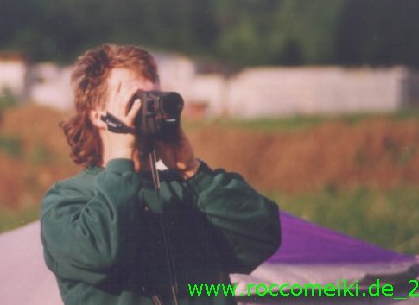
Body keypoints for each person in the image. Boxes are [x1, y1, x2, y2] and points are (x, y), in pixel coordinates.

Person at [40, 44, 281, 304]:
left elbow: (262, 239)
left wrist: (193, 171)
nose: (150, 109)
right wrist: (122, 160)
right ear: (98, 116)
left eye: (155, 98)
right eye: (136, 100)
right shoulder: (66, 201)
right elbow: (102, 251)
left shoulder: (187, 189)